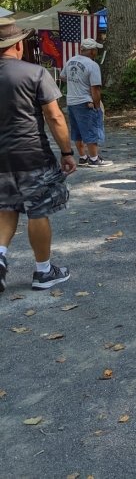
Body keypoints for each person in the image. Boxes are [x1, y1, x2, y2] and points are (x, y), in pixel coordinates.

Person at [0, 19, 77, 292]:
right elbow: (55, 116)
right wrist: (67, 152)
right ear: (18, 44)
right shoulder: (35, 73)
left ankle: (0, 256)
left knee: (6, 206)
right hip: (31, 155)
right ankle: (43, 271)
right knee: (37, 210)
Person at [60, 37, 112, 167]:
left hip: (71, 101)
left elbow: (62, 76)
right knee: (91, 130)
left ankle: (83, 157)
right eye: (96, 50)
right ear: (92, 51)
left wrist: (75, 83)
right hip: (85, 101)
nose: (96, 52)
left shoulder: (71, 60)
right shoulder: (92, 65)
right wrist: (96, 105)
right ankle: (94, 159)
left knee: (77, 131)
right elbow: (95, 88)